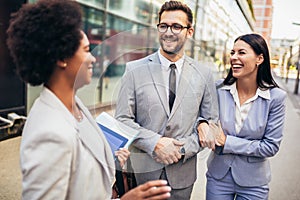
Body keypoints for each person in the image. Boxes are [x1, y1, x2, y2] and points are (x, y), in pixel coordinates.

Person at [6, 0, 171, 199]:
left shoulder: (75, 105)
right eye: (85, 50)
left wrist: (112, 160)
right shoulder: (49, 134)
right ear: (62, 58)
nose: (93, 58)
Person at [115, 1, 218, 199]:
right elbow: (122, 120)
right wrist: (155, 143)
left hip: (182, 176)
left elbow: (212, 123)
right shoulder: (134, 70)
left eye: (176, 26)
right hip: (142, 174)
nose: (168, 32)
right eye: (163, 26)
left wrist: (181, 150)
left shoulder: (204, 74)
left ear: (190, 32)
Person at [198, 33, 286, 200]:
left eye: (241, 52)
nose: (234, 57)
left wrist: (227, 141)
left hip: (254, 183)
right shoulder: (218, 88)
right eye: (232, 52)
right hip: (218, 177)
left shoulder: (275, 97)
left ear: (259, 59)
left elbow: (270, 147)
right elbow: (200, 115)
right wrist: (201, 123)